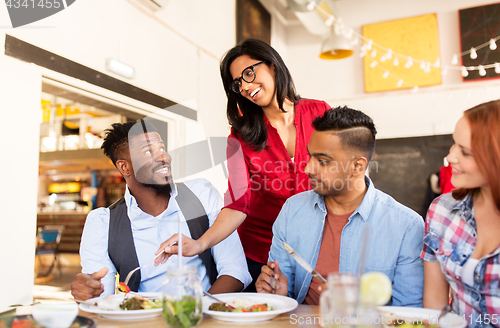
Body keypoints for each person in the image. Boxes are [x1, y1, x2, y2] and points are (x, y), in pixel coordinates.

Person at [155, 39, 331, 291]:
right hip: (261, 254)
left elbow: (343, 173)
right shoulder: (240, 136)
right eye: (238, 83)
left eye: (250, 73)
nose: (246, 86)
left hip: (316, 247)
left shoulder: (320, 113)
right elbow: (239, 203)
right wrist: (200, 244)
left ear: (272, 65)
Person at [255, 106, 424, 306]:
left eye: (323, 161)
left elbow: (410, 313)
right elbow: (282, 296)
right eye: (310, 156)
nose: (308, 168)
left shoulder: (406, 226)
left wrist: (354, 310)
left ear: (358, 166)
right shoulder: (292, 210)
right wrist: (278, 296)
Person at [70, 120, 251, 300]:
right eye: (149, 151)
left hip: (206, 315)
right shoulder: (102, 223)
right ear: (124, 167)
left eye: (162, 148)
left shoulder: (201, 194)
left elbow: (235, 270)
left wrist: (192, 313)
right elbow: (101, 296)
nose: (164, 157)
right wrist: (87, 292)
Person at [421, 100, 500, 325]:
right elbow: (435, 304)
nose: (451, 157)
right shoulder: (442, 210)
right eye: (454, 144)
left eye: (465, 152)